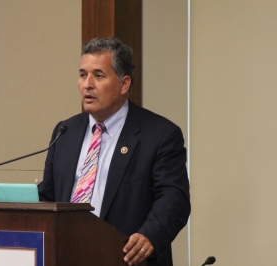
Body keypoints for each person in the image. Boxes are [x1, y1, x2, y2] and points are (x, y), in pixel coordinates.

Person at [38, 37, 190, 266]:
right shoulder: (65, 132)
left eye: (98, 75)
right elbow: (47, 197)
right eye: (82, 75)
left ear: (124, 84)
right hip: (67, 256)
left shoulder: (160, 134)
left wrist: (150, 234)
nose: (87, 84)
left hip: (126, 259)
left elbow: (173, 197)